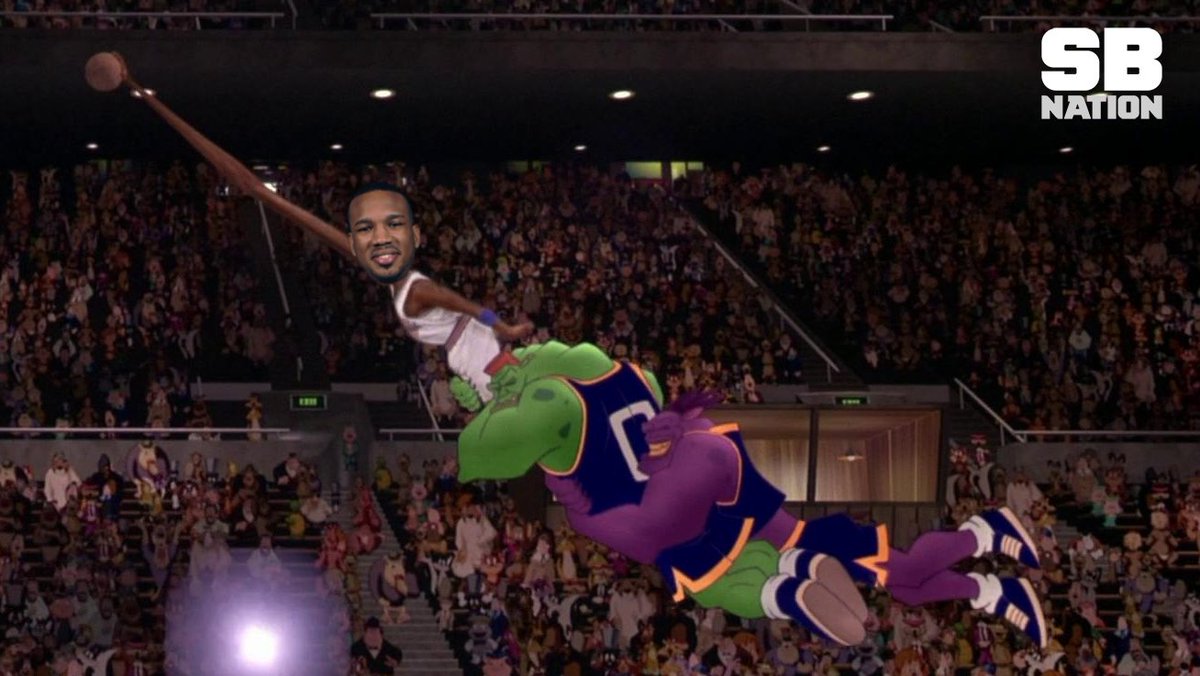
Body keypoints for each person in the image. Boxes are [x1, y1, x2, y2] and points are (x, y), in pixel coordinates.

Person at [344, 182, 532, 400]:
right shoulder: (399, 290)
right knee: (507, 398)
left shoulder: (418, 290)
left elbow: (473, 309)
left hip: (469, 340)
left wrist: (506, 329)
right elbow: (352, 248)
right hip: (461, 345)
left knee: (507, 400)